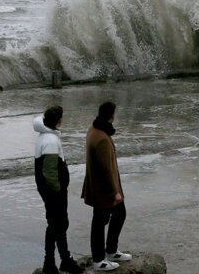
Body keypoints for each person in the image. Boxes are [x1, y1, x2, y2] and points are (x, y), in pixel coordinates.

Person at [82, 102, 132, 272]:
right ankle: (99, 259)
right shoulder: (102, 138)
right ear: (112, 116)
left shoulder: (93, 129)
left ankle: (110, 251)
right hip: (103, 190)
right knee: (100, 222)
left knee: (117, 215)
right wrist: (114, 192)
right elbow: (105, 169)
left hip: (97, 186)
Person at [33, 106, 83, 274]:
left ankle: (62, 260)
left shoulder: (44, 136)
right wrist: (58, 190)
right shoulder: (50, 140)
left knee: (58, 224)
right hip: (54, 191)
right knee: (57, 225)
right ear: (59, 120)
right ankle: (51, 263)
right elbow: (49, 171)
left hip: (48, 189)